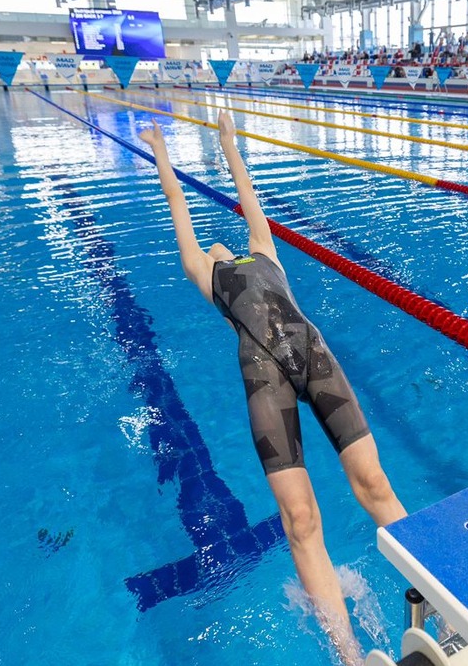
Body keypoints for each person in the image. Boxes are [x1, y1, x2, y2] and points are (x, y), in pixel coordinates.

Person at [139, 114, 408, 665]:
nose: (217, 244)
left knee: (374, 480)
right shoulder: (202, 272)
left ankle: (441, 585)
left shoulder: (263, 248)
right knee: (300, 520)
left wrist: (229, 144)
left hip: (314, 354)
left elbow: (247, 192)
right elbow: (177, 204)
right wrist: (161, 152)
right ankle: (349, 655)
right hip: (264, 377)